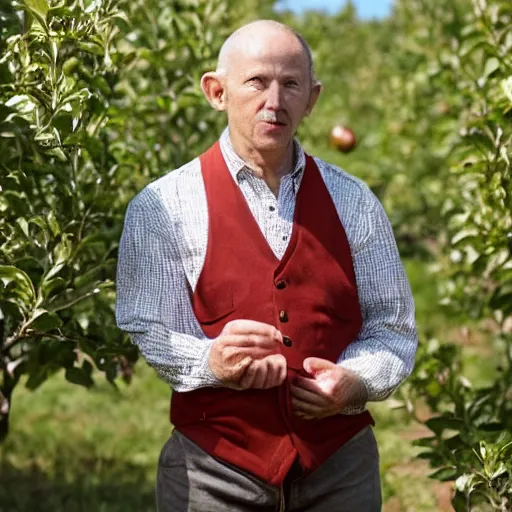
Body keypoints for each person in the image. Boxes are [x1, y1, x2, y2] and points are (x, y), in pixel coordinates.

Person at [116, 19, 417, 512]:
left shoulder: (354, 202)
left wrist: (354, 383)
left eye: (291, 84)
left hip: (339, 465)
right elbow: (150, 327)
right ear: (217, 91)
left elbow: (392, 327)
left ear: (312, 99)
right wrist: (210, 362)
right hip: (216, 470)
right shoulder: (164, 206)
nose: (274, 100)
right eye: (257, 81)